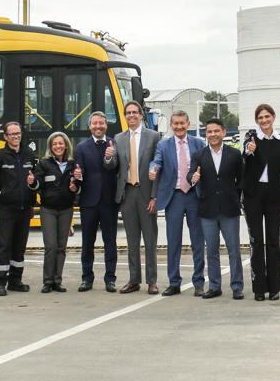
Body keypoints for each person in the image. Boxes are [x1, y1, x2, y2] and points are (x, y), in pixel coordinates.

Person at [242, 103, 280, 301]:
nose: (264, 120)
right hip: (253, 197)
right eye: (260, 117)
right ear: (257, 120)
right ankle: (259, 288)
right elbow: (245, 161)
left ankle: (274, 287)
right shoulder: (251, 138)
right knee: (257, 242)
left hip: (275, 197)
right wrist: (249, 150)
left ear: (273, 117)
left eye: (267, 116)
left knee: (273, 242)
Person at [105, 101, 159, 294]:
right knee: (132, 240)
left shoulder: (153, 137)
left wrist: (154, 196)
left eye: (135, 112)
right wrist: (109, 157)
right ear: (125, 116)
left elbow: (158, 166)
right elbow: (113, 166)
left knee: (150, 239)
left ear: (141, 115)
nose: (132, 116)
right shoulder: (118, 138)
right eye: (128, 113)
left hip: (146, 193)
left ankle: (152, 281)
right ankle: (134, 279)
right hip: (128, 193)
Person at [187, 118, 244, 300]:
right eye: (209, 132)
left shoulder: (235, 154)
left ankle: (237, 286)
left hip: (229, 209)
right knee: (211, 250)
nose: (212, 134)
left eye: (216, 131)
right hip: (207, 210)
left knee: (234, 250)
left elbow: (241, 180)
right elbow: (190, 174)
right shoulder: (199, 155)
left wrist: (236, 197)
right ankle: (214, 286)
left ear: (223, 132)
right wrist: (192, 178)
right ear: (206, 134)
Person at [151, 111, 207, 297]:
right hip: (173, 197)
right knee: (173, 241)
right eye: (175, 123)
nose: (179, 127)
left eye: (182, 123)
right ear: (171, 125)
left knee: (198, 241)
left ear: (188, 123)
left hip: (194, 195)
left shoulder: (199, 143)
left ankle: (198, 282)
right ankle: (174, 282)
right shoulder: (163, 145)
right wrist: (154, 168)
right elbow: (157, 161)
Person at [73, 111, 119, 292]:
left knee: (110, 242)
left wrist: (111, 156)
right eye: (95, 123)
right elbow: (78, 172)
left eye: (101, 123)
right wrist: (77, 176)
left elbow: (119, 169)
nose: (98, 126)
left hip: (109, 200)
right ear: (89, 126)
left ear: (106, 126)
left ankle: (110, 278)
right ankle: (87, 278)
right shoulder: (81, 147)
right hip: (89, 201)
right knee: (87, 242)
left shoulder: (115, 144)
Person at [0, 121, 38, 296]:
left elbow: (35, 176)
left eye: (18, 133)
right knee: (4, 245)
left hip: (25, 207)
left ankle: (15, 280)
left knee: (20, 245)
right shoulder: (0, 155)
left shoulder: (29, 154)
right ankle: (0, 282)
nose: (16, 136)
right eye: (12, 134)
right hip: (6, 208)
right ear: (5, 137)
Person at [35, 132, 81, 293]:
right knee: (51, 246)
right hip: (48, 209)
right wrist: (32, 182)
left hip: (66, 209)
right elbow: (37, 184)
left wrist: (75, 187)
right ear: (50, 147)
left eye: (61, 143)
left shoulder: (73, 165)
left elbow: (78, 186)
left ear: (66, 145)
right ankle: (47, 281)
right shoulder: (44, 164)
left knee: (61, 247)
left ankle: (57, 281)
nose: (58, 146)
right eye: (54, 144)